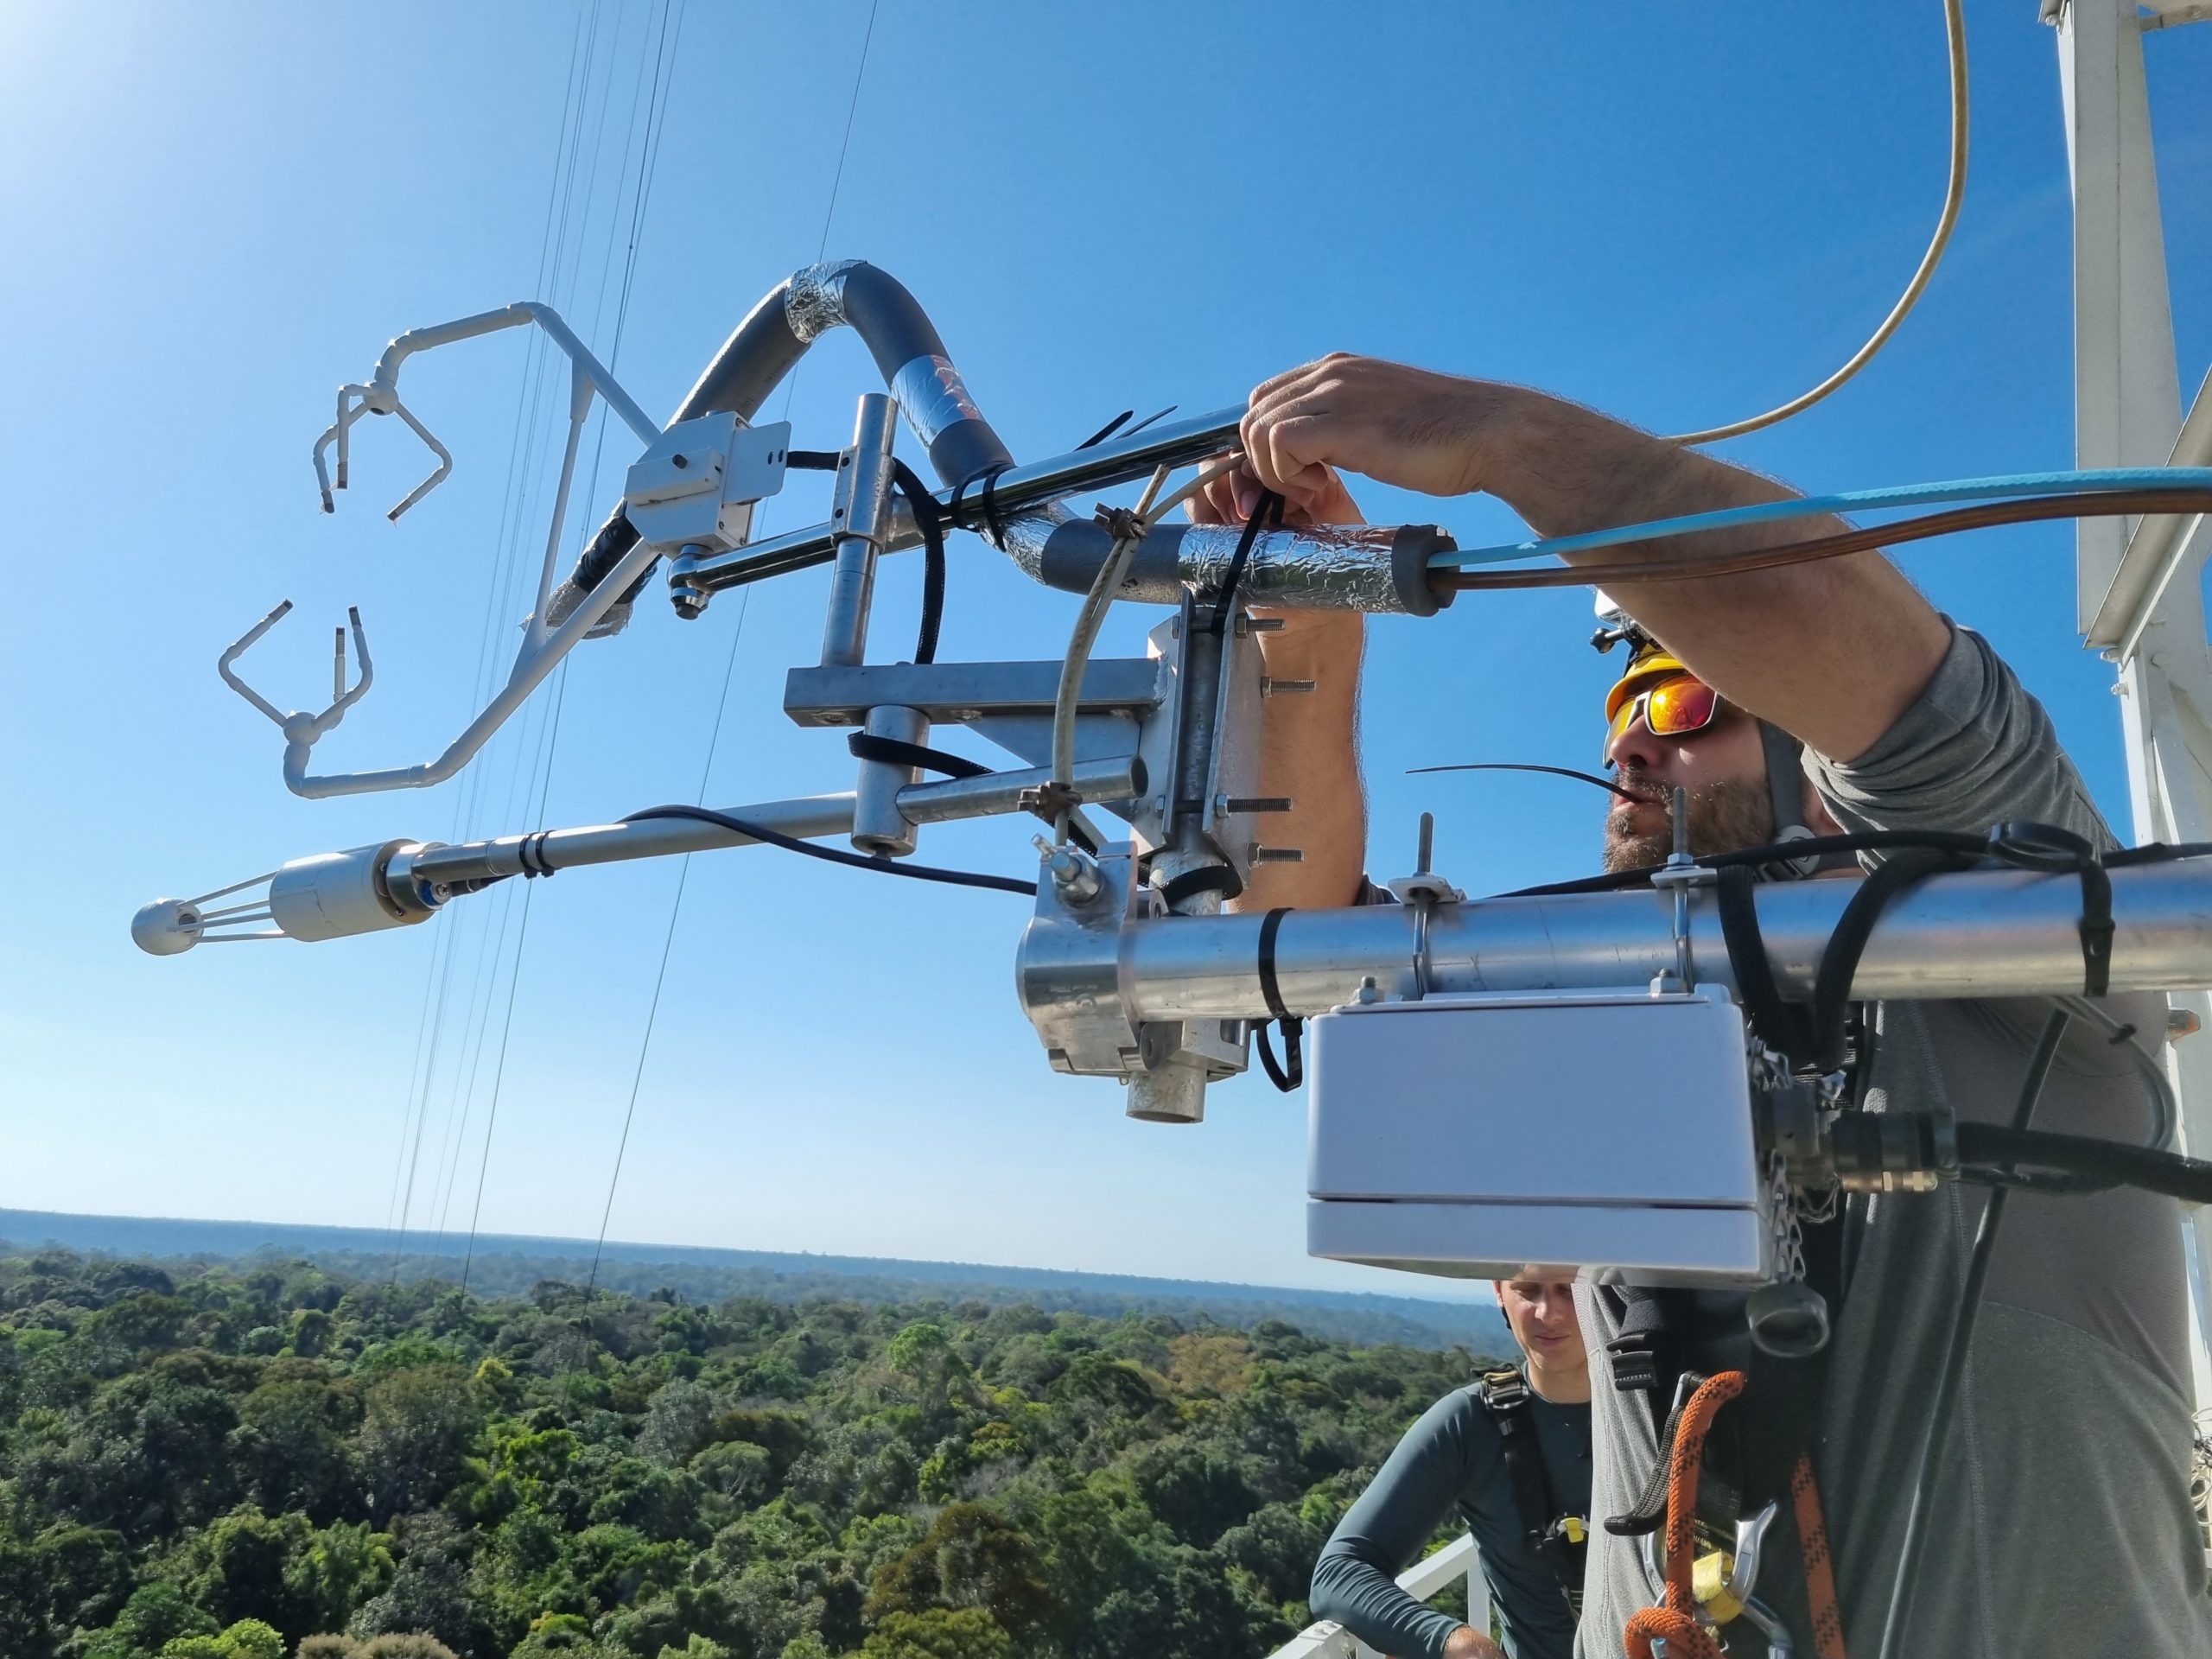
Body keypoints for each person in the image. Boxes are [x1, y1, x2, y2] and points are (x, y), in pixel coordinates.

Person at [1199, 355, 2212, 1656]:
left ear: (1817, 763)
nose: (1629, 740)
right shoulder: (1618, 1024)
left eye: (1681, 698)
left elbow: (1892, 683)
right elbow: (1295, 932)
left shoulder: (2032, 965)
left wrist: (1495, 432)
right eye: (1623, 707)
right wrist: (1307, 616)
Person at [1313, 1268, 1594, 1659]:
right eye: (1528, 1291)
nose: (1549, 1313)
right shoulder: (1472, 1423)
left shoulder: (1673, 1414)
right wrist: (1453, 1642)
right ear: (1498, 1290)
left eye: (1569, 1290)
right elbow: (1339, 1572)